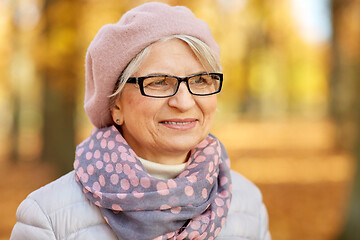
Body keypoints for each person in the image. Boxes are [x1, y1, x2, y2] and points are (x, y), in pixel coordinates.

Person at [10, 2, 270, 240]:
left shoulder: (247, 204)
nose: (184, 102)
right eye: (158, 82)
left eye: (200, 80)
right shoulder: (47, 218)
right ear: (116, 104)